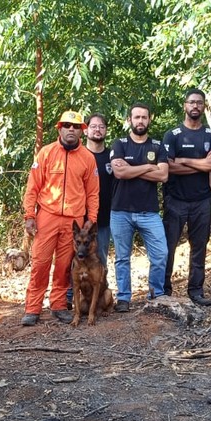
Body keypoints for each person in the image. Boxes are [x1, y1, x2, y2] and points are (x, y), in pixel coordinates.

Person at [21, 111, 99, 326]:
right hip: (47, 215)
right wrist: (30, 215)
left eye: (75, 126)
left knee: (65, 266)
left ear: (81, 130)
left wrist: (90, 218)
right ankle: (32, 308)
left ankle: (58, 305)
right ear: (59, 128)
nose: (71, 129)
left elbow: (93, 192)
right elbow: (32, 187)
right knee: (40, 263)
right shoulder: (46, 153)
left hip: (74, 220)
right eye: (67, 125)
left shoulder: (88, 158)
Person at [161, 88, 211, 305]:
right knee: (168, 247)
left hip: (202, 201)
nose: (195, 106)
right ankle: (163, 289)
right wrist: (201, 165)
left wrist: (184, 160)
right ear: (185, 105)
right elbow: (167, 167)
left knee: (199, 247)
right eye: (191, 102)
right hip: (175, 200)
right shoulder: (173, 135)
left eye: (199, 103)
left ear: (204, 107)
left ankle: (195, 291)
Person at [109, 102, 169, 311]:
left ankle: (156, 295)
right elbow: (119, 173)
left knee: (160, 254)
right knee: (122, 257)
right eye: (137, 117)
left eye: (144, 117)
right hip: (121, 211)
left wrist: (131, 167)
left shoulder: (157, 146)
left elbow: (163, 175)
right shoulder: (120, 144)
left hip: (149, 212)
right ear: (129, 120)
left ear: (149, 119)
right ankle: (124, 298)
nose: (140, 121)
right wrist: (147, 167)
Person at [85, 113, 115, 264]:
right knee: (73, 259)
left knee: (100, 258)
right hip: (79, 217)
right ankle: (71, 289)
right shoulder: (78, 154)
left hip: (104, 218)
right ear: (85, 130)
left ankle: (102, 288)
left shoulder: (113, 155)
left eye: (101, 127)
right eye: (94, 126)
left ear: (106, 131)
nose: (98, 130)